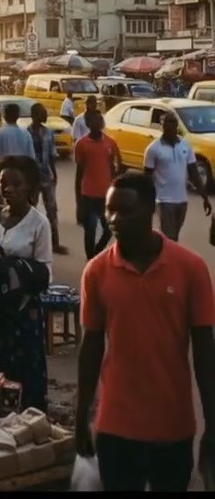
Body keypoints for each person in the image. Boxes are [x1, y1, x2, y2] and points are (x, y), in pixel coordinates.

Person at [76, 170, 215, 493]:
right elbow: (91, 346)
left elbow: (205, 350)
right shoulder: (96, 271)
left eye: (125, 211)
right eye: (110, 210)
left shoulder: (190, 268)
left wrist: (212, 422)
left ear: (151, 209)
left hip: (173, 424)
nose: (113, 219)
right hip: (115, 424)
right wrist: (81, 417)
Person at [0, 156, 52, 410]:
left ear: (29, 187)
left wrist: (14, 271)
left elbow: (46, 272)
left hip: (22, 316)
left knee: (21, 374)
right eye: (4, 183)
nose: (8, 189)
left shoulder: (39, 224)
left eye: (16, 184)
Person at [144, 112, 211, 241]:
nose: (169, 127)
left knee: (174, 235)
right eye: (166, 124)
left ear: (177, 126)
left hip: (182, 200)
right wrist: (147, 202)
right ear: (162, 126)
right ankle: (169, 260)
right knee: (170, 237)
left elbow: (194, 173)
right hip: (164, 200)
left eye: (172, 123)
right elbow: (147, 178)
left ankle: (167, 257)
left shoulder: (185, 145)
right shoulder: (153, 149)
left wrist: (205, 197)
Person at [74, 110, 120, 261]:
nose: (98, 122)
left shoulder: (110, 143)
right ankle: (90, 260)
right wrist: (78, 202)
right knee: (90, 231)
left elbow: (114, 168)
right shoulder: (81, 144)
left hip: (105, 195)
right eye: (95, 120)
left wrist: (115, 190)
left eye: (100, 119)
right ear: (89, 124)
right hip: (88, 195)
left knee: (108, 230)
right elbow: (79, 173)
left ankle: (96, 253)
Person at [27, 104, 68, 255]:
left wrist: (54, 172)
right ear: (35, 115)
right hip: (33, 177)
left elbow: (51, 154)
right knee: (30, 209)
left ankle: (55, 243)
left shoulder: (48, 132)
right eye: (43, 113)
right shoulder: (27, 133)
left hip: (46, 176)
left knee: (52, 209)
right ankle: (30, 241)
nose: (45, 116)